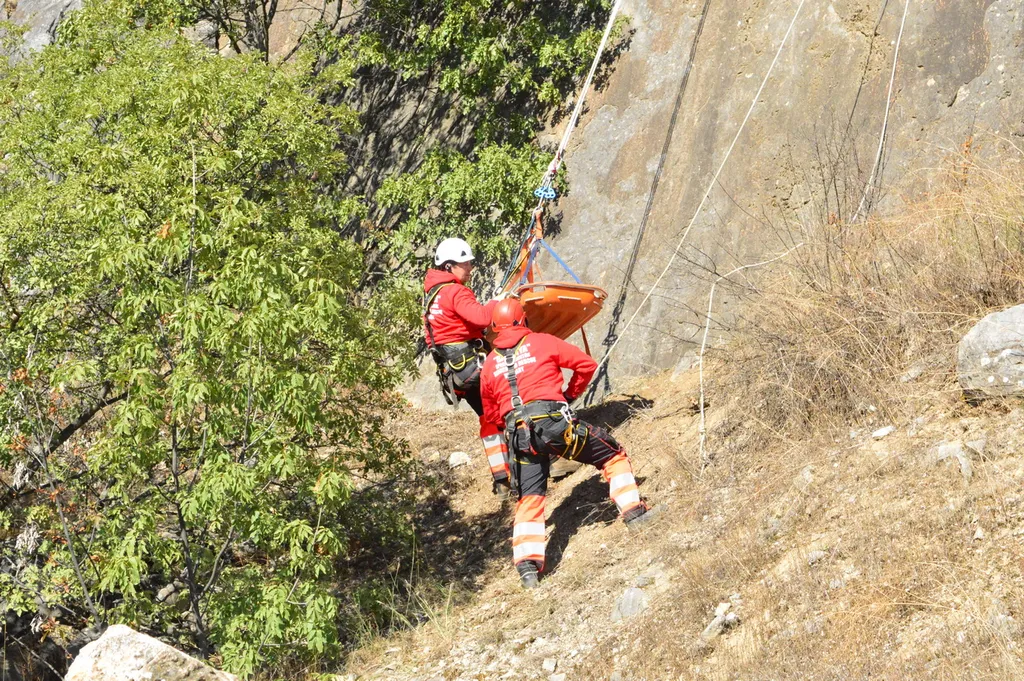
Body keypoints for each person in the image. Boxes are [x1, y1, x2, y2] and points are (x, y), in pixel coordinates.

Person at [479, 299, 654, 589]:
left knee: (530, 498)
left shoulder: (489, 365)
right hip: (556, 425)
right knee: (611, 455)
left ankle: (527, 566)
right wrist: (569, 395)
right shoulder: (542, 342)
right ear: (523, 321)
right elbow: (586, 365)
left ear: (495, 329)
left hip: (521, 438)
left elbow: (492, 416)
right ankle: (634, 512)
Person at [423, 238, 510, 490]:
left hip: (457, 375)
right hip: (476, 367)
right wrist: (497, 301)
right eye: (465, 263)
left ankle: (502, 479)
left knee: (488, 418)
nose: (470, 267)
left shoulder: (432, 295)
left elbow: (434, 336)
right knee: (516, 407)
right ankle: (544, 459)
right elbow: (483, 318)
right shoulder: (454, 291)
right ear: (450, 266)